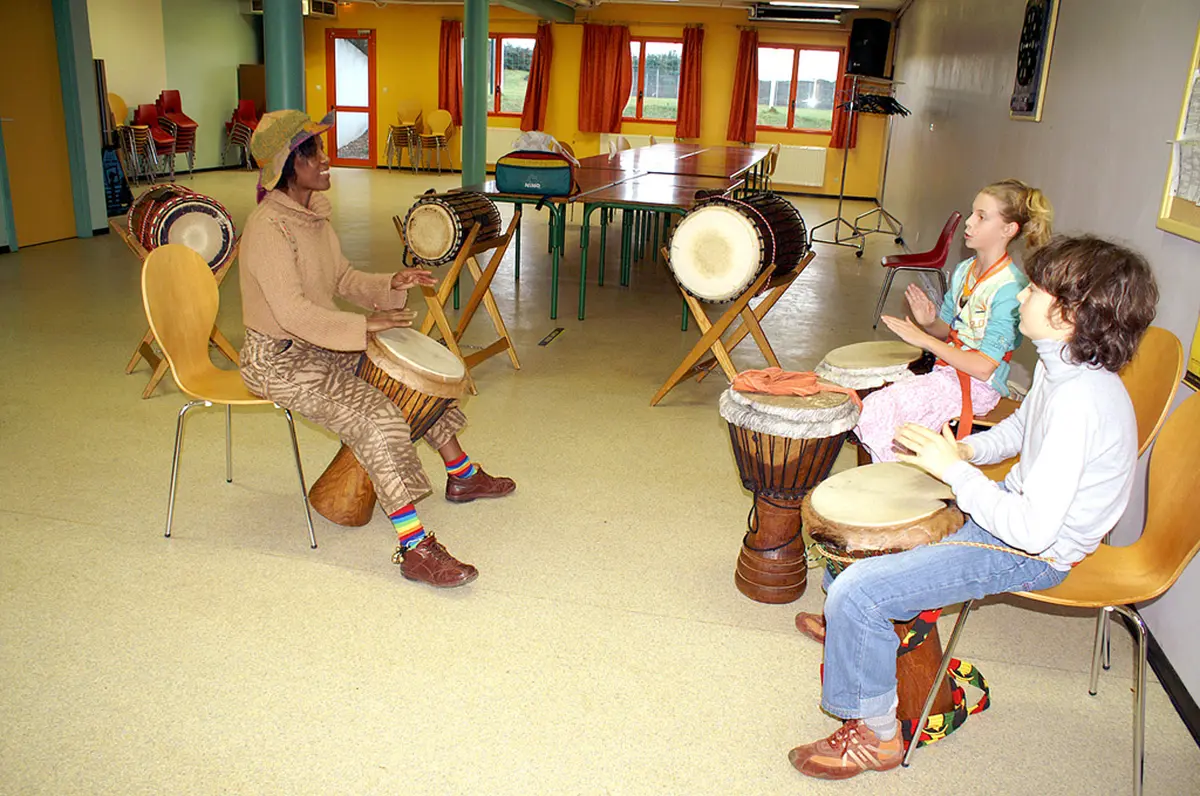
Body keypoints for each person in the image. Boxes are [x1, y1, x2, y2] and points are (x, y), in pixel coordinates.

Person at [788, 236, 1158, 780]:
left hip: (1037, 550)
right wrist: (967, 450)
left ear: (1068, 315)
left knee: (858, 590)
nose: (1023, 295)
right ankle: (859, 638)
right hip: (1017, 512)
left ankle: (877, 735)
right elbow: (1017, 429)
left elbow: (1031, 533)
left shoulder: (1082, 403)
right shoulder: (1068, 371)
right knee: (868, 544)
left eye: (1033, 288)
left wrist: (956, 474)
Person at [238, 110, 515, 589]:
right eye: (315, 154)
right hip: (278, 359)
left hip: (320, 344)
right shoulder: (269, 228)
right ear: (290, 165)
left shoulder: (312, 219)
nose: (326, 161)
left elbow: (342, 279)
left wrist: (392, 282)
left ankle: (462, 472)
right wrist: (364, 327)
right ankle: (414, 547)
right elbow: (294, 315)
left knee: (415, 378)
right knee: (378, 416)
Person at [858, 179, 1053, 461]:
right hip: (945, 373)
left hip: (977, 388)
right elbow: (948, 333)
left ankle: (896, 484)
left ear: (1008, 229)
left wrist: (923, 338)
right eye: (972, 213)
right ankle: (894, 478)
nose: (969, 223)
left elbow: (984, 368)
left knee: (881, 409)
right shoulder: (964, 271)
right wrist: (930, 322)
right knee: (882, 403)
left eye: (981, 217)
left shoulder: (1010, 289)